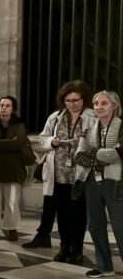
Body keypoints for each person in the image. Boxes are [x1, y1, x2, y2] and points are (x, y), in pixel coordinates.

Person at [35, 81, 95, 262]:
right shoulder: (56, 117)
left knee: (79, 213)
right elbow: (41, 139)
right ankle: (64, 247)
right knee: (62, 213)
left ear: (83, 100)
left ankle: (76, 249)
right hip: (59, 173)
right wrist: (52, 142)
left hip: (80, 174)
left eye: (75, 100)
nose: (71, 104)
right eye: (68, 100)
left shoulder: (92, 117)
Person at [73, 91, 123, 278]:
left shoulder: (121, 127)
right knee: (95, 225)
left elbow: (118, 154)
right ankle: (104, 266)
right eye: (96, 103)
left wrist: (93, 152)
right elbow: (79, 155)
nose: (99, 107)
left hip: (116, 182)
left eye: (104, 103)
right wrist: (103, 154)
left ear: (114, 106)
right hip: (92, 181)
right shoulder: (89, 129)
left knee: (120, 227)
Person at [0, 96, 30, 241]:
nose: (3, 108)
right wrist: (10, 144)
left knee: (12, 201)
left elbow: (19, 143)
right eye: (1, 105)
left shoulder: (19, 125)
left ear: (13, 109)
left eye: (7, 105)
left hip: (13, 168)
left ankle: (11, 228)